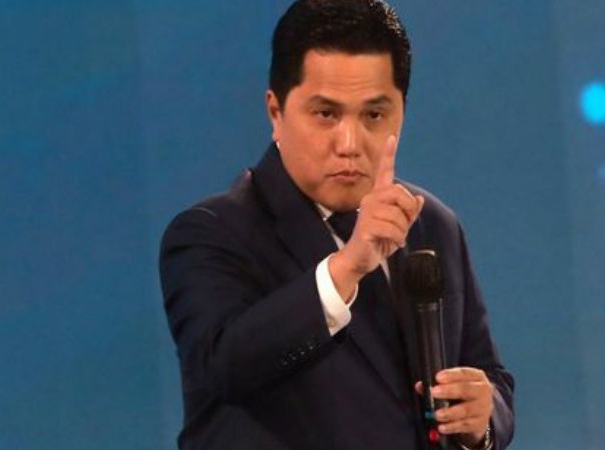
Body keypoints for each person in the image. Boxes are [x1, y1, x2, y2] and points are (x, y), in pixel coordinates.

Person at [159, 1, 514, 449]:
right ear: (275, 112)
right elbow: (223, 368)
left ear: (402, 113)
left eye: (374, 115)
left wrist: (483, 418)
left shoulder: (431, 224)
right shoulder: (209, 234)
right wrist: (347, 267)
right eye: (326, 114)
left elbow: (489, 377)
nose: (349, 144)